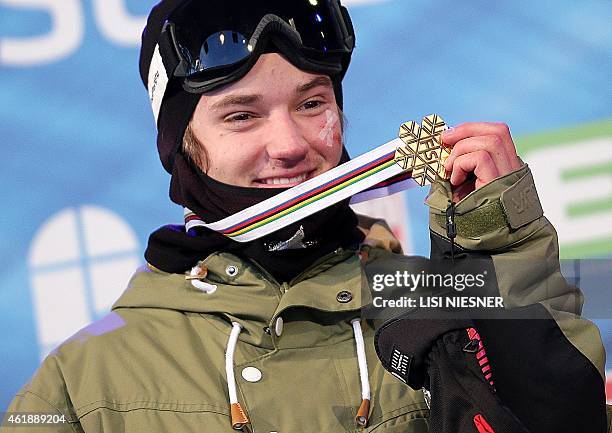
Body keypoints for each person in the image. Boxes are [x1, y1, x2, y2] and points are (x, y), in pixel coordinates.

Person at [3, 1, 609, 432]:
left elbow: (567, 414)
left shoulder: (436, 312)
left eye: (312, 103)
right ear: (180, 147)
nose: (291, 144)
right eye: (242, 115)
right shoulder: (83, 382)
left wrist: (505, 248)